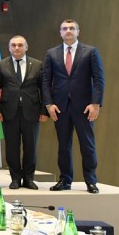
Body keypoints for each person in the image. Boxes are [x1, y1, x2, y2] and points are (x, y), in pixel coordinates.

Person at [42, 19, 105, 194]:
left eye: (72, 28)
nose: (68, 31)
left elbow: (99, 79)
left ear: (78, 32)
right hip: (60, 107)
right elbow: (46, 81)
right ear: (60, 33)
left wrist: (95, 104)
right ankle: (65, 180)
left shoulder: (90, 51)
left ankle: (91, 181)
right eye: (64, 28)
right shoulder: (51, 53)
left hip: (85, 107)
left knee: (87, 145)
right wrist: (49, 104)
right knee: (63, 146)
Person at [0, 35, 47, 190]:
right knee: (12, 147)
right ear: (9, 48)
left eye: (20, 45)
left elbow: (44, 89)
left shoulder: (37, 64)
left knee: (31, 147)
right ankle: (15, 179)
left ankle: (29, 179)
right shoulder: (1, 65)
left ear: (26, 47)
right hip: (9, 112)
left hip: (32, 112)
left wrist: (44, 110)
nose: (17, 48)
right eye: (13, 45)